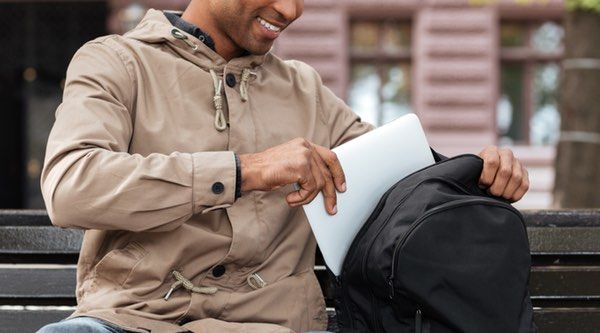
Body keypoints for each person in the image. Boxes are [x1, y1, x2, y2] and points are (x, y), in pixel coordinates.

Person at [38, 0, 530, 332]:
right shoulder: (116, 63)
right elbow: (71, 185)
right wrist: (243, 170)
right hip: (131, 322)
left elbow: (406, 179)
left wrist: (478, 173)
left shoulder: (306, 90)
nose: (291, 10)